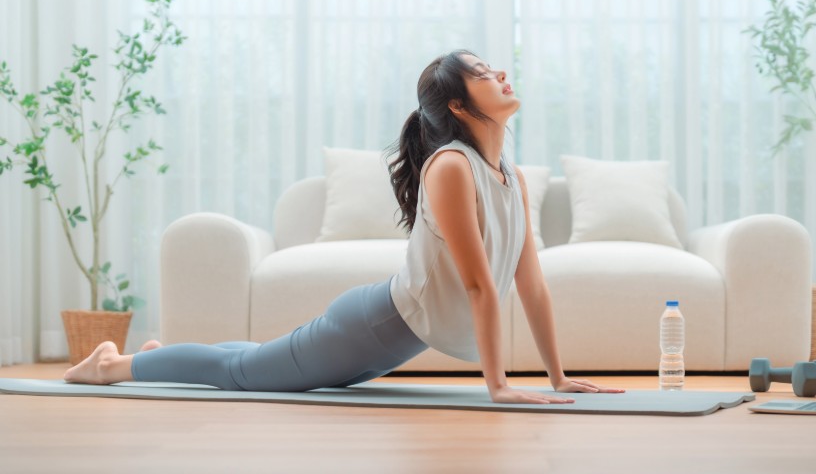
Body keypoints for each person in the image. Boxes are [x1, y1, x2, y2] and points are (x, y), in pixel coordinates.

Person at [64, 49, 626, 404]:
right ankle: (112, 366)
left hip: (391, 336)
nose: (500, 72)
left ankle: (164, 356)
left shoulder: (510, 176)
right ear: (457, 106)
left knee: (263, 362)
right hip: (375, 324)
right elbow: (479, 285)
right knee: (243, 374)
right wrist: (499, 387)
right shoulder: (452, 167)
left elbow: (531, 283)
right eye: (482, 73)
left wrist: (558, 377)